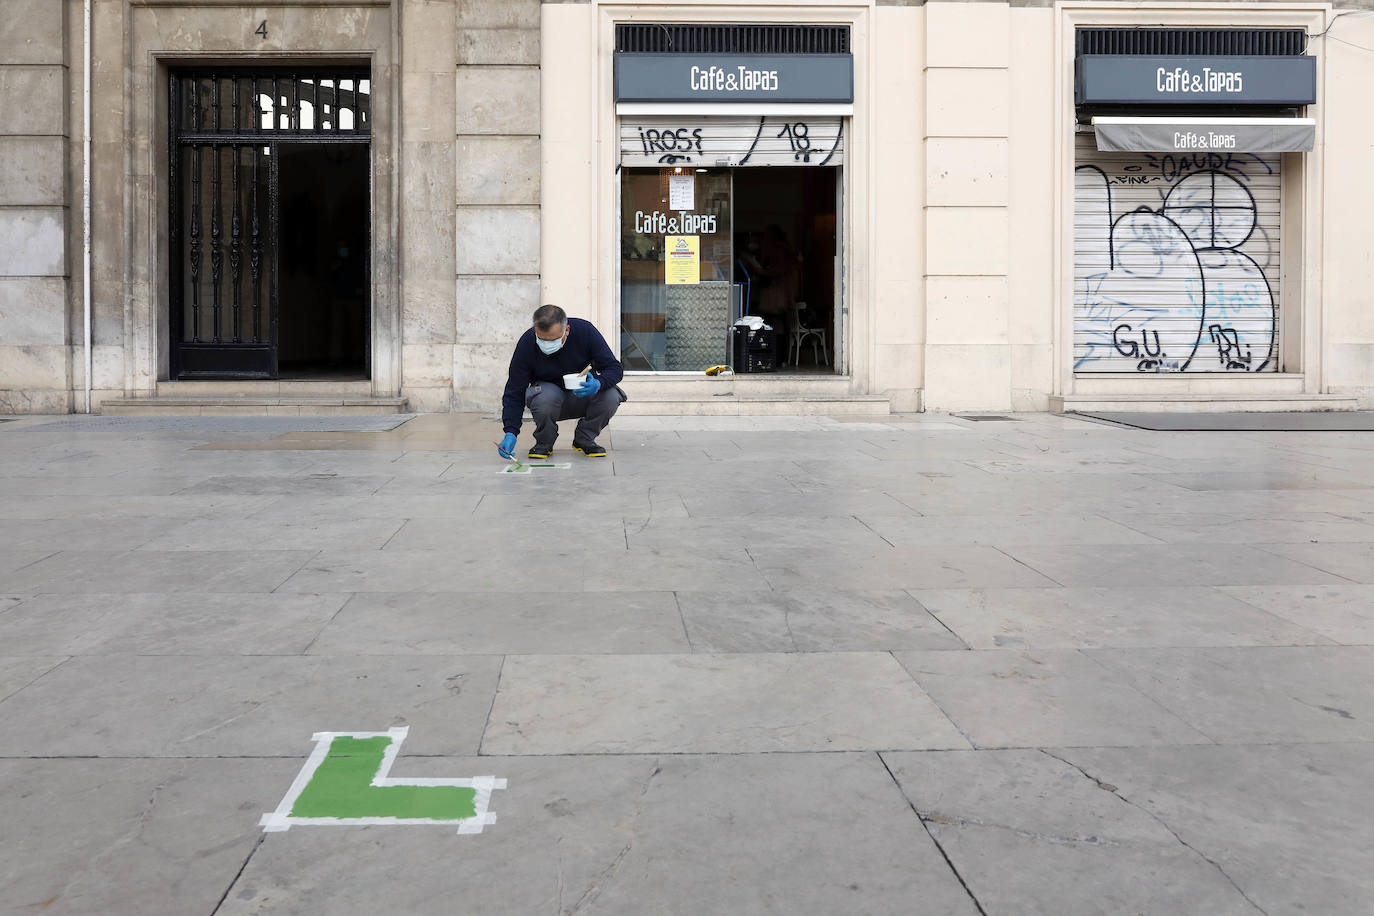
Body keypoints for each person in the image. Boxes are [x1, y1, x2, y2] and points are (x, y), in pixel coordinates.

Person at [497, 305, 625, 460]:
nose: (547, 345)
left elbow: (614, 368)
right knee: (546, 396)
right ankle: (544, 442)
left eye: (554, 340)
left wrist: (598, 383)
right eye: (541, 339)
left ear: (567, 330)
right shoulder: (527, 342)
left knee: (611, 395)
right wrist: (511, 431)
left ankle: (584, 438)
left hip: (583, 394)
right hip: (547, 399)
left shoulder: (585, 331)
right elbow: (515, 389)